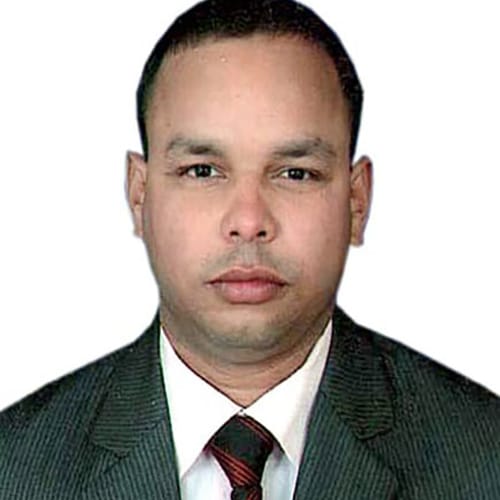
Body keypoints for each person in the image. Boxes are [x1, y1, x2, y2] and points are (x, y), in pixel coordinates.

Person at [1, 0, 499, 498]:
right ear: (139, 195)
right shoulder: (15, 469)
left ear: (356, 201)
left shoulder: (484, 459)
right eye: (202, 171)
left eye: (295, 173)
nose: (248, 221)